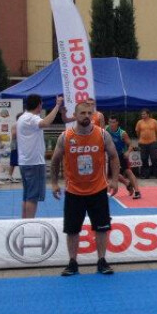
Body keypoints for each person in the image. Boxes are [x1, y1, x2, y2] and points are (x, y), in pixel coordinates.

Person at [50, 100, 121, 276]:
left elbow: (113, 156)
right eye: (82, 113)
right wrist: (53, 183)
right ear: (75, 115)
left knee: (102, 228)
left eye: (90, 113)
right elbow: (55, 160)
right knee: (72, 229)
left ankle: (102, 261)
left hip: (98, 190)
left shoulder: (103, 135)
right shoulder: (65, 137)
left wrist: (114, 180)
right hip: (74, 191)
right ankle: (73, 262)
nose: (87, 116)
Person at [18, 95, 64, 218]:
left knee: (27, 195)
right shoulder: (31, 119)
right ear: (39, 105)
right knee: (33, 197)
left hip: (25, 162)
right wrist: (57, 105)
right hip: (34, 163)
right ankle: (29, 223)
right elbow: (46, 122)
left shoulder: (23, 117)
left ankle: (24, 221)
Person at [106, 117, 142, 199]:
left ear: (117, 123)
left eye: (113, 122)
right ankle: (127, 183)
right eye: (110, 122)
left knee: (128, 172)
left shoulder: (122, 133)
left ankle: (137, 191)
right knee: (113, 174)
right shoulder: (106, 129)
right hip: (110, 155)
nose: (111, 124)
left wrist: (128, 152)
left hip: (121, 155)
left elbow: (130, 144)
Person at [134, 109, 157, 179]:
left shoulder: (154, 121)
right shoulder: (139, 122)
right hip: (142, 143)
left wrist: (156, 138)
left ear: (148, 114)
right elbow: (137, 132)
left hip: (152, 142)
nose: (142, 115)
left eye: (144, 114)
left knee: (154, 158)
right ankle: (146, 175)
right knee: (144, 159)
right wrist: (141, 138)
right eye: (142, 114)